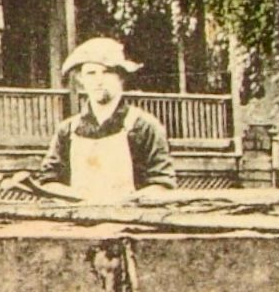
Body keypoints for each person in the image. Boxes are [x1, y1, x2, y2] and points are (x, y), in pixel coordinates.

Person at [32, 36, 175, 203]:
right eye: (90, 73)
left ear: (121, 77)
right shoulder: (68, 130)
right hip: (76, 221)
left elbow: (162, 183)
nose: (98, 80)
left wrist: (130, 201)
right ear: (81, 79)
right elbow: (49, 180)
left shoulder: (144, 126)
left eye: (106, 72)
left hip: (131, 222)